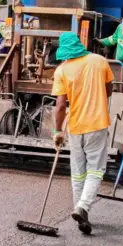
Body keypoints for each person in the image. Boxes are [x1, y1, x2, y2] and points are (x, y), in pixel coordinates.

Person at [51, 32, 115, 235]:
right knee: (95, 170)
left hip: (75, 127)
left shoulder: (62, 70)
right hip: (97, 124)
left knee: (78, 172)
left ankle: (80, 212)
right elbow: (109, 91)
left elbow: (61, 106)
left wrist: (57, 131)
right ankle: (83, 207)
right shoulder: (99, 61)